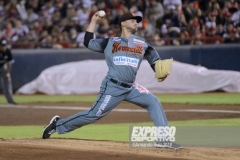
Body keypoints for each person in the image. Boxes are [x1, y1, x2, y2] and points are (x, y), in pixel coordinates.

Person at [42, 12, 182, 149]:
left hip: (131, 87)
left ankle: (163, 140)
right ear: (123, 23)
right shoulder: (110, 42)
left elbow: (154, 59)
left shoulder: (141, 43)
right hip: (113, 87)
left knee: (153, 102)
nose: (136, 22)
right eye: (132, 20)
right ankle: (58, 124)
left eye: (137, 21)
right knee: (93, 115)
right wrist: (93, 21)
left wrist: (158, 71)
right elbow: (88, 42)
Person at [0, 39, 17, 105]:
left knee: (7, 81)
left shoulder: (8, 51)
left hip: (3, 67)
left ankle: (10, 101)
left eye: (4, 46)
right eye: (2, 46)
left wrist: (7, 73)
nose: (3, 47)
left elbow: (9, 64)